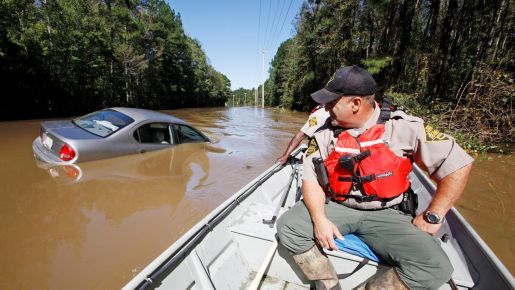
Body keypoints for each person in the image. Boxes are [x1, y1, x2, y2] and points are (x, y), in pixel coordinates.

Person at [276, 65, 473, 290]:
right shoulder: (323, 133)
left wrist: (433, 216)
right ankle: (330, 287)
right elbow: (310, 179)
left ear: (356, 104)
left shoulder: (403, 128)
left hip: (388, 212)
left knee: (435, 266)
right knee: (290, 227)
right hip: (338, 205)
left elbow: (458, 165)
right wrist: (320, 219)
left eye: (332, 103)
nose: (326, 108)